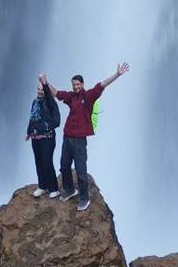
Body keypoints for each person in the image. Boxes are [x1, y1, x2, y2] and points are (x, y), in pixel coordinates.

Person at [43, 62, 130, 212]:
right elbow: (56, 93)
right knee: (64, 166)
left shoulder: (89, 95)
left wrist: (117, 74)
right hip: (67, 137)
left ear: (82, 84)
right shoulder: (71, 97)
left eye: (77, 84)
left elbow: (103, 85)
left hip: (79, 139)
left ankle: (84, 198)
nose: (75, 87)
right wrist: (44, 82)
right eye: (73, 85)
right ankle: (70, 190)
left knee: (81, 170)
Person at [25, 76, 61, 198]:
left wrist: (44, 83)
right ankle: (42, 186)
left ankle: (53, 188)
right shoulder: (35, 102)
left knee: (47, 161)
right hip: (36, 137)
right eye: (38, 89)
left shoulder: (50, 103)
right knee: (38, 161)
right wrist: (28, 132)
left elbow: (56, 122)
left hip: (47, 138)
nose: (40, 91)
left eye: (42, 89)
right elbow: (32, 118)